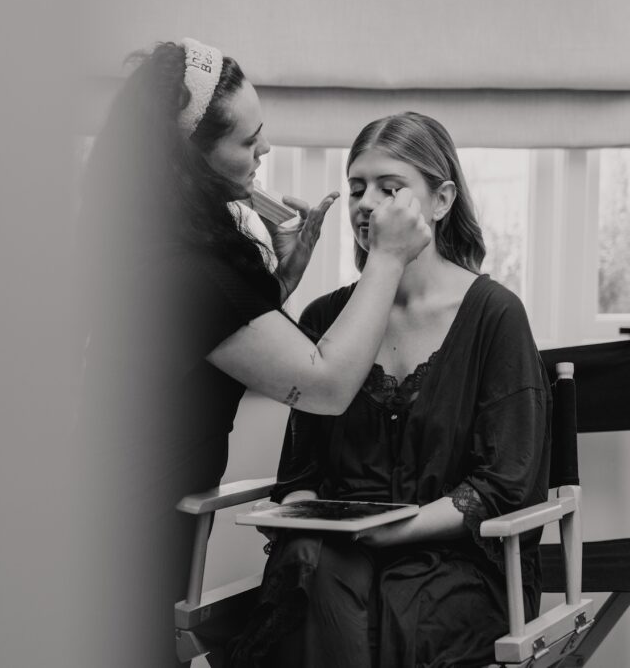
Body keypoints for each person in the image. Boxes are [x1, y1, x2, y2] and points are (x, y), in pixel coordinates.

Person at [75, 40, 431, 667]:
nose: (263, 150)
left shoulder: (158, 241)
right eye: (247, 142)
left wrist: (278, 287)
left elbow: (216, 338)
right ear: (187, 163)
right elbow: (325, 387)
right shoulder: (184, 268)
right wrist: (389, 257)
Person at [228, 112, 552, 668]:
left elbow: (505, 486)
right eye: (356, 188)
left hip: (454, 560)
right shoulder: (327, 317)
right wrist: (309, 518)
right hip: (337, 552)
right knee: (307, 569)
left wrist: (395, 529)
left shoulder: (495, 315)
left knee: (401, 613)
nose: (365, 203)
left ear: (442, 200)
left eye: (389, 187)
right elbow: (300, 476)